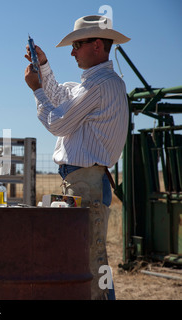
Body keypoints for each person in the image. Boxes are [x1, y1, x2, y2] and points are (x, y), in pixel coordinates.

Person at [24, 15, 130, 300]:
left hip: (86, 182)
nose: (72, 51)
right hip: (85, 180)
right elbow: (60, 96)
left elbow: (58, 121)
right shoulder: (96, 83)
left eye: (77, 44)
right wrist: (43, 68)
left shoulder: (99, 85)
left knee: (91, 260)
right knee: (91, 257)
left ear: (96, 45)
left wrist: (36, 89)